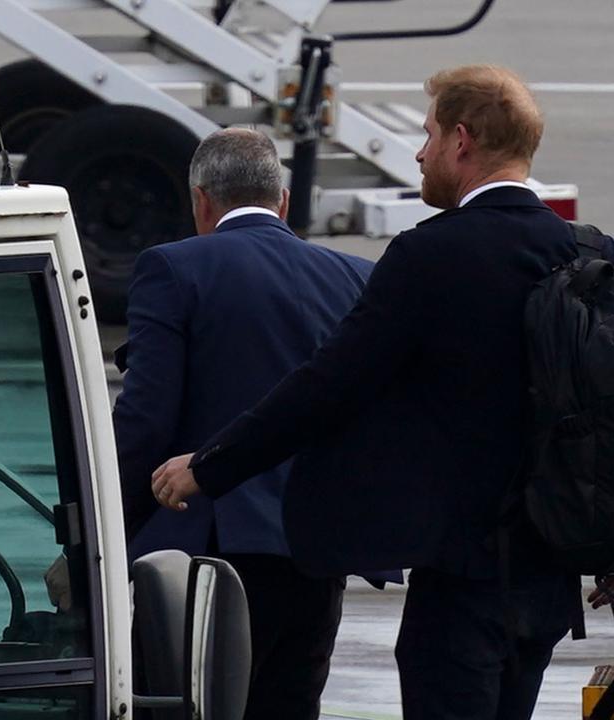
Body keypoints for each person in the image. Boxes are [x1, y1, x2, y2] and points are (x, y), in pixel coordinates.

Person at [149, 64, 614, 719]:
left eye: (429, 134)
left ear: (462, 141)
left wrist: (210, 466)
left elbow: (326, 387)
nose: (420, 152)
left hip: (466, 575)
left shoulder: (431, 255)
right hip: (550, 581)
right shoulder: (592, 251)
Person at [112, 127, 375, 720]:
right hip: (317, 553)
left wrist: (104, 529)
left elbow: (145, 419)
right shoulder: (355, 277)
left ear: (200, 201)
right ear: (282, 200)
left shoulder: (173, 268)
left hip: (212, 554)